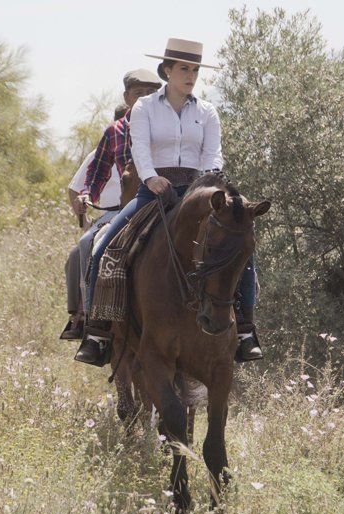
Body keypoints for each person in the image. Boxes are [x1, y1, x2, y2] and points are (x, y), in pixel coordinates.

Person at [75, 38, 263, 366]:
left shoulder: (207, 112)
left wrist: (204, 184)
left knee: (240, 248)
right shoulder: (145, 108)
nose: (190, 76)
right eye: (183, 69)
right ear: (167, 71)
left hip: (198, 193)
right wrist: (150, 177)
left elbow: (212, 153)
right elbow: (140, 147)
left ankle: (245, 329)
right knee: (105, 248)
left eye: (194, 70)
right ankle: (97, 331)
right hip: (153, 191)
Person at [59, 69, 161, 339]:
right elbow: (95, 175)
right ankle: (91, 320)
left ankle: (236, 324)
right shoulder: (114, 133)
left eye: (151, 93)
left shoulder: (168, 125)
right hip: (125, 208)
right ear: (127, 97)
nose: (144, 99)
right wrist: (87, 197)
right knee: (86, 246)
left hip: (167, 201)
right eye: (139, 93)